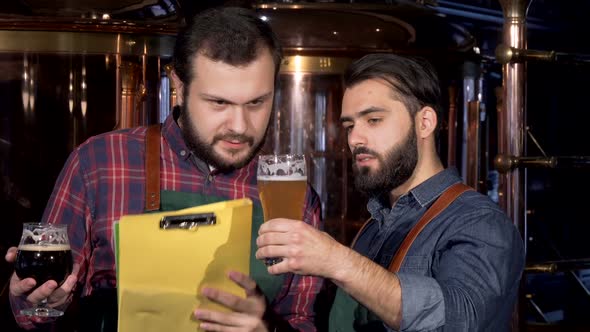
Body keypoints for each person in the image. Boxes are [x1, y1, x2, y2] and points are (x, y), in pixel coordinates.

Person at [5, 7, 323, 332]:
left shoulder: (294, 197)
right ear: (180, 86)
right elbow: (34, 311)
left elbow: (301, 321)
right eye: (219, 103)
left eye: (256, 103)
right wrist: (40, 301)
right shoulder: (98, 163)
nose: (240, 126)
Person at [256, 53, 525, 331]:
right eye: (349, 126)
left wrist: (336, 260)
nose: (354, 139)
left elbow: (460, 319)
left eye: (373, 120)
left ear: (425, 122)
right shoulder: (373, 228)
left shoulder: (478, 221)